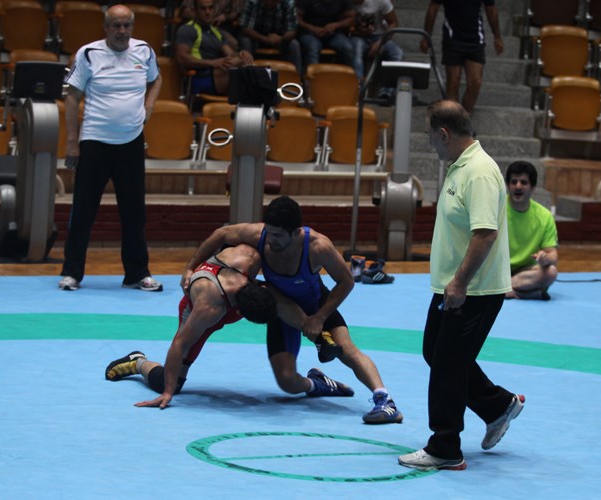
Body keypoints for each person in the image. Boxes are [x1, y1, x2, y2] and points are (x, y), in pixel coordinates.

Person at [180, 195, 403, 424]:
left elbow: (346, 282)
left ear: (296, 232)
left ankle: (385, 401)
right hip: (282, 311)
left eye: (277, 236)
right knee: (286, 381)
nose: (271, 240)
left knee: (346, 350)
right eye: (269, 233)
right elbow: (221, 234)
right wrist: (190, 268)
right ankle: (317, 384)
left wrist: (320, 317)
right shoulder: (259, 235)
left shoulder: (317, 246)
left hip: (316, 305)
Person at [398, 100, 524, 471]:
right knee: (435, 353)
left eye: (429, 137)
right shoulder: (459, 167)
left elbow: (485, 234)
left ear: (444, 134)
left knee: (448, 366)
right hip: (453, 286)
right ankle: (497, 405)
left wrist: (459, 283)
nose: (430, 144)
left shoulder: (479, 172)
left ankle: (445, 447)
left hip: (474, 290)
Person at [105, 244, 345, 408]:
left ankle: (318, 336)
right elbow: (179, 344)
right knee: (170, 383)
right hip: (199, 307)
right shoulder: (207, 310)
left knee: (278, 295)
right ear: (240, 313)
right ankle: (138, 361)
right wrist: (167, 393)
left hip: (229, 290)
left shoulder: (250, 257)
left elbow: (222, 234)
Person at [59, 4, 163, 292]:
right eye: (116, 26)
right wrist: (72, 143)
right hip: (94, 142)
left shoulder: (144, 51)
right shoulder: (88, 54)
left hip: (131, 143)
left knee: (134, 213)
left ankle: (137, 274)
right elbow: (72, 97)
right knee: (83, 211)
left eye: (127, 25)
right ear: (106, 28)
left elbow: (156, 79)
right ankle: (71, 273)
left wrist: (149, 105)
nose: (122, 31)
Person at [420, 0, 504, 113]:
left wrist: (497, 36)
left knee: (475, 82)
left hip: (475, 38)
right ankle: (454, 117)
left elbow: (491, 9)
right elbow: (433, 8)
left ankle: (464, 116)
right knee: (453, 81)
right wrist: (426, 37)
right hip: (452, 38)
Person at [175, 0, 254, 96]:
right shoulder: (187, 29)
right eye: (203, 8)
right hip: (198, 78)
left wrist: (242, 54)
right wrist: (212, 63)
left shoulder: (215, 32)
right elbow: (182, 58)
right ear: (195, 10)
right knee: (244, 73)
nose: (207, 12)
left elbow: (231, 54)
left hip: (218, 75)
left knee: (244, 62)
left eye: (211, 8)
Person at [505, 161, 558, 300]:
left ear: (533, 187)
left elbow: (552, 254)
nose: (518, 186)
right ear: (508, 185)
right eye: (514, 182)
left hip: (525, 272)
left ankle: (505, 288)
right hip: (497, 270)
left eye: (523, 182)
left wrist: (545, 258)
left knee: (551, 272)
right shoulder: (496, 210)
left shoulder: (544, 216)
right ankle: (523, 292)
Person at [350, 0, 403, 98]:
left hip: (379, 36)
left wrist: (381, 42)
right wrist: (357, 31)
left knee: (396, 52)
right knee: (357, 49)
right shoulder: (346, 3)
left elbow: (394, 23)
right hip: (356, 36)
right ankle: (358, 89)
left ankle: (386, 91)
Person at [237, 0, 302, 72]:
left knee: (294, 45)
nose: (270, 2)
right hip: (256, 38)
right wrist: (264, 38)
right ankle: (244, 74)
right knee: (245, 41)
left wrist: (281, 38)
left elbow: (292, 30)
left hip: (279, 39)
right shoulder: (252, 2)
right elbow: (245, 28)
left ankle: (296, 76)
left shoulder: (288, 2)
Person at [295, 0, 356, 75]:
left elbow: (351, 17)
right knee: (313, 47)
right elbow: (296, 17)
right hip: (309, 32)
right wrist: (312, 28)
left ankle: (349, 77)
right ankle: (313, 78)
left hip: (333, 33)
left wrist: (336, 25)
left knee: (346, 47)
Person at [179, 0, 245, 50]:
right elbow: (186, 12)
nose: (208, 11)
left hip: (220, 26)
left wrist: (224, 17)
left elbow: (237, 11)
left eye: (211, 8)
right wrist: (206, 18)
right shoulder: (185, 29)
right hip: (197, 24)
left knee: (234, 44)